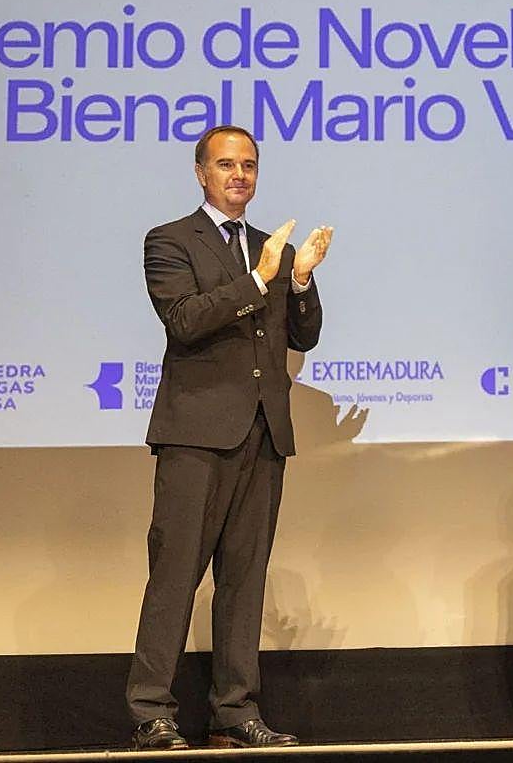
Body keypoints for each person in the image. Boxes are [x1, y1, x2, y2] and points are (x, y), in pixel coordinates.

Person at [126, 125, 333, 750]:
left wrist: (297, 281)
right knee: (176, 575)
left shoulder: (272, 247)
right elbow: (186, 320)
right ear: (201, 174)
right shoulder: (169, 240)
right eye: (225, 164)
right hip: (195, 434)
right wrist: (261, 278)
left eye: (248, 165)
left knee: (245, 579)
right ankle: (150, 710)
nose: (239, 175)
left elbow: (304, 337)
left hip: (263, 433)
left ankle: (235, 711)